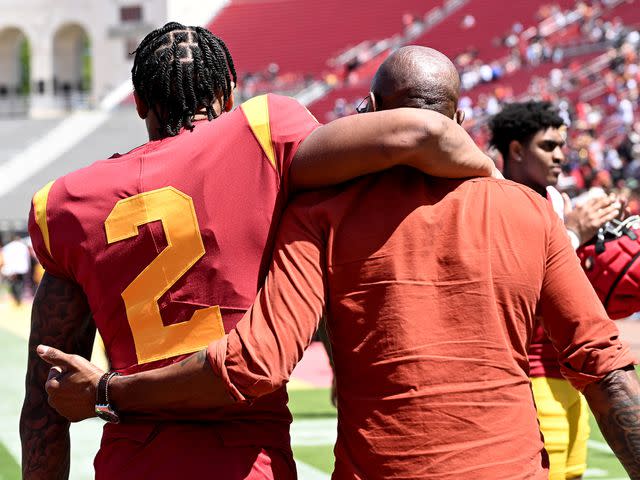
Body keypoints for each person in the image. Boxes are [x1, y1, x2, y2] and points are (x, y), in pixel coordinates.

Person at [39, 46, 640, 479]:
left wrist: (108, 393)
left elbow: (255, 364)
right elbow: (606, 371)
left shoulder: (318, 214)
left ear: (367, 109)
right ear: (461, 121)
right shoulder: (527, 211)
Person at [489, 101, 624, 480]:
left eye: (563, 146)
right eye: (548, 146)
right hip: (528, 379)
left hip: (572, 381)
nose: (561, 156)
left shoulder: (556, 201)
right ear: (516, 150)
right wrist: (573, 235)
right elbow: (515, 285)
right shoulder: (494, 199)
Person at [1, 234, 31, 305]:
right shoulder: (23, 247)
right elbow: (27, 258)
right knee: (20, 283)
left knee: (13, 284)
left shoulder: (8, 247)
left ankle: (16, 298)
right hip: (21, 268)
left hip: (12, 269)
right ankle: (18, 298)